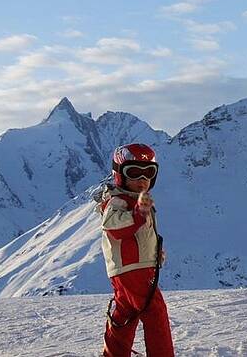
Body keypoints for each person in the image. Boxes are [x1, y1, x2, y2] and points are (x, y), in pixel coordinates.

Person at [97, 143, 174, 357]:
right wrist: (139, 213)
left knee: (125, 314)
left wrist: (156, 253)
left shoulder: (132, 200)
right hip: (134, 270)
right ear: (119, 174)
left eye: (148, 172)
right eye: (134, 172)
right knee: (155, 311)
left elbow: (143, 235)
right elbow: (115, 228)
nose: (142, 179)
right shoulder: (117, 201)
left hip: (130, 269)